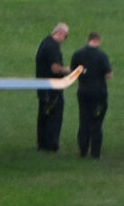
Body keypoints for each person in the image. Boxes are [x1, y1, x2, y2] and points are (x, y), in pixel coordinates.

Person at [77, 32, 112, 158]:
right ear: (98, 40)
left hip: (83, 91)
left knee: (84, 121)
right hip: (98, 93)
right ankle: (95, 153)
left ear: (89, 39)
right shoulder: (102, 56)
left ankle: (83, 151)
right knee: (97, 122)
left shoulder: (78, 54)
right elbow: (108, 75)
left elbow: (73, 71)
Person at [38, 21, 70, 152]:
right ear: (60, 33)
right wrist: (69, 71)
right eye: (66, 36)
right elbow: (55, 68)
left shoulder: (45, 42)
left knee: (43, 116)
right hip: (53, 89)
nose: (64, 40)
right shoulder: (53, 47)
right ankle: (51, 145)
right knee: (54, 116)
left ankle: (42, 143)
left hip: (42, 87)